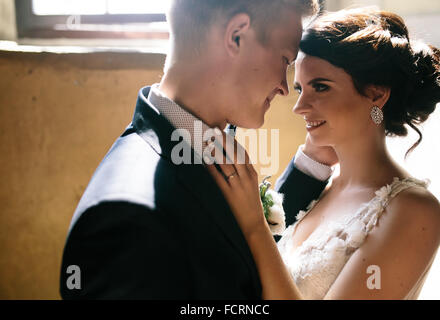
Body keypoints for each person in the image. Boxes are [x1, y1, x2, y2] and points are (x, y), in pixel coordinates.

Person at [59, 0, 331, 299]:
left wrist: (313, 162)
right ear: (236, 35)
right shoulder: (128, 221)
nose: (283, 86)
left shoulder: (204, 143)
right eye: (284, 59)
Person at [207, 7, 440, 299]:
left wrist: (255, 225)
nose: (300, 106)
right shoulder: (320, 187)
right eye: (300, 89)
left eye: (320, 87)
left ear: (376, 94)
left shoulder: (413, 210)